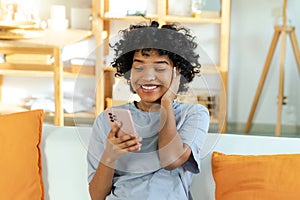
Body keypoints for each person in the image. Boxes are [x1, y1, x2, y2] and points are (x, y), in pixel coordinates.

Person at [87, 20, 210, 200]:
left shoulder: (194, 115)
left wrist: (167, 101)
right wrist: (110, 156)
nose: (148, 76)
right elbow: (96, 196)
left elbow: (171, 160)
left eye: (160, 68)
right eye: (139, 67)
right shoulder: (107, 120)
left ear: (177, 73)